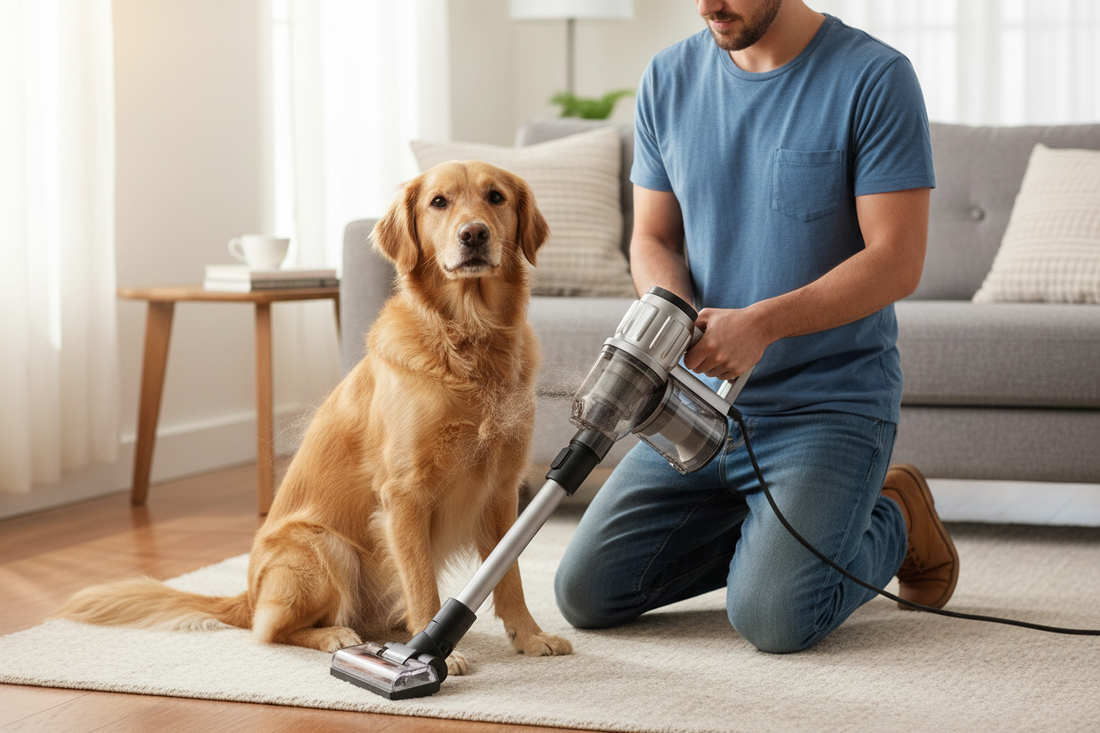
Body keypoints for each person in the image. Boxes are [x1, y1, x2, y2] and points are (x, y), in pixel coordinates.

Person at [554, 0, 960, 653]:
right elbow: (654, 237)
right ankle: (780, 530)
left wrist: (764, 323)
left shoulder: (873, 77)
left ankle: (896, 518)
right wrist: (673, 312)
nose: (710, 5)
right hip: (699, 404)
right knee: (587, 595)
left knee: (774, 617)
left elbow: (897, 261)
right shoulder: (668, 77)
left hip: (827, 406)